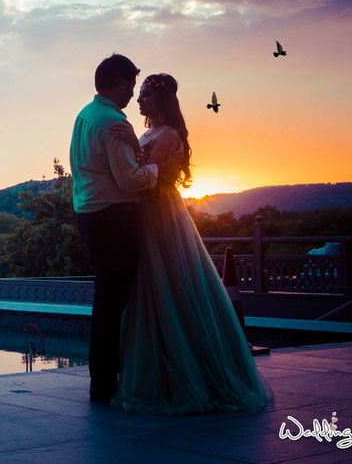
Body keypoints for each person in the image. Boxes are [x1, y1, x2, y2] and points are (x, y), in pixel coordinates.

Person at [110, 73, 270, 414]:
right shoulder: (148, 133)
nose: (139, 101)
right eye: (138, 95)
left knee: (173, 285)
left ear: (161, 101)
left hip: (161, 215)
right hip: (144, 214)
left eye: (145, 96)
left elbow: (157, 177)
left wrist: (132, 148)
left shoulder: (169, 136)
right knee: (150, 290)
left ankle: (194, 374)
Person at [69, 54, 163, 403]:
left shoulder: (85, 115)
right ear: (121, 83)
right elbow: (130, 179)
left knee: (106, 300)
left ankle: (104, 379)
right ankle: (105, 383)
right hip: (114, 216)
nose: (132, 93)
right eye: (131, 85)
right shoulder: (110, 121)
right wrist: (153, 169)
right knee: (113, 302)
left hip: (89, 212)